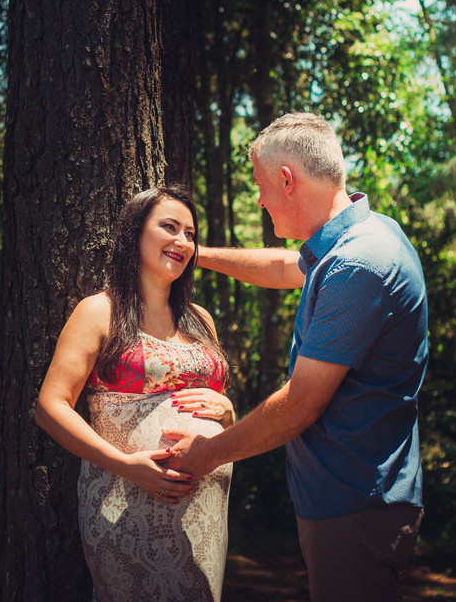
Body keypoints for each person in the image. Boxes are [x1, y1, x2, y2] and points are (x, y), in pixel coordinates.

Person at [164, 112, 428, 602]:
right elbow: (286, 267)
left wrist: (204, 456)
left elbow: (303, 402)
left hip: (355, 504)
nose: (260, 200)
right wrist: (194, 254)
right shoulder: (361, 236)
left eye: (262, 186)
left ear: (287, 180)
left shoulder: (359, 263)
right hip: (356, 499)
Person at [35, 186, 236, 602]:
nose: (183, 241)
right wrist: (128, 465)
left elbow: (215, 413)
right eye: (169, 227)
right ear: (134, 233)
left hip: (206, 517)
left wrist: (228, 415)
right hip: (125, 503)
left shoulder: (201, 320)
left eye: (190, 234)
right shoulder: (99, 311)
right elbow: (50, 407)